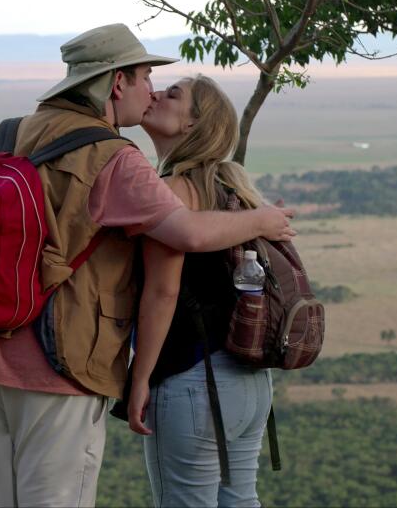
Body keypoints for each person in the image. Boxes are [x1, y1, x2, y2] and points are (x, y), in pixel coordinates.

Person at [0, 25, 295, 507]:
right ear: (116, 84)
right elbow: (186, 234)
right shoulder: (113, 157)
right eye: (146, 76)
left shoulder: (1, 135)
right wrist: (264, 218)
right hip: (57, 364)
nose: (150, 90)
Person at [126, 74, 274, 507]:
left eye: (172, 95)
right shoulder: (232, 190)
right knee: (240, 501)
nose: (154, 94)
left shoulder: (173, 191)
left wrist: (140, 379)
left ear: (194, 124)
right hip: (249, 381)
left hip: (194, 382)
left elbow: (162, 292)